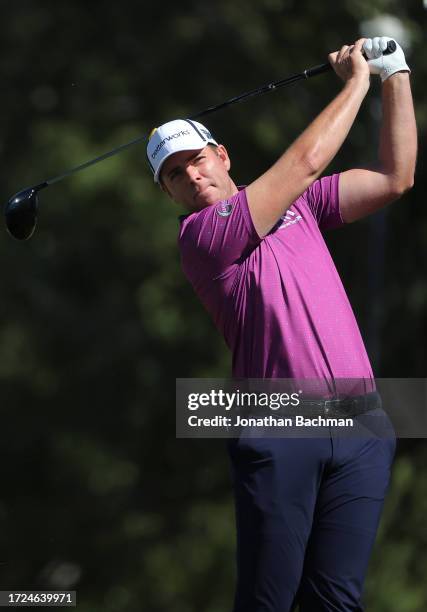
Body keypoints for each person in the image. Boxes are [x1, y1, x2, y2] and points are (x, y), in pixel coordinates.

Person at [146, 37, 417, 611]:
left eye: (195, 159)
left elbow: (396, 178)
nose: (191, 176)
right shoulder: (202, 238)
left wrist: (395, 74)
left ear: (221, 154)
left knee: (336, 603)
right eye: (174, 174)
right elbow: (305, 161)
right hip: (282, 424)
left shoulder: (304, 207)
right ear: (167, 192)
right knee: (268, 602)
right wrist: (355, 83)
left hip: (362, 423)